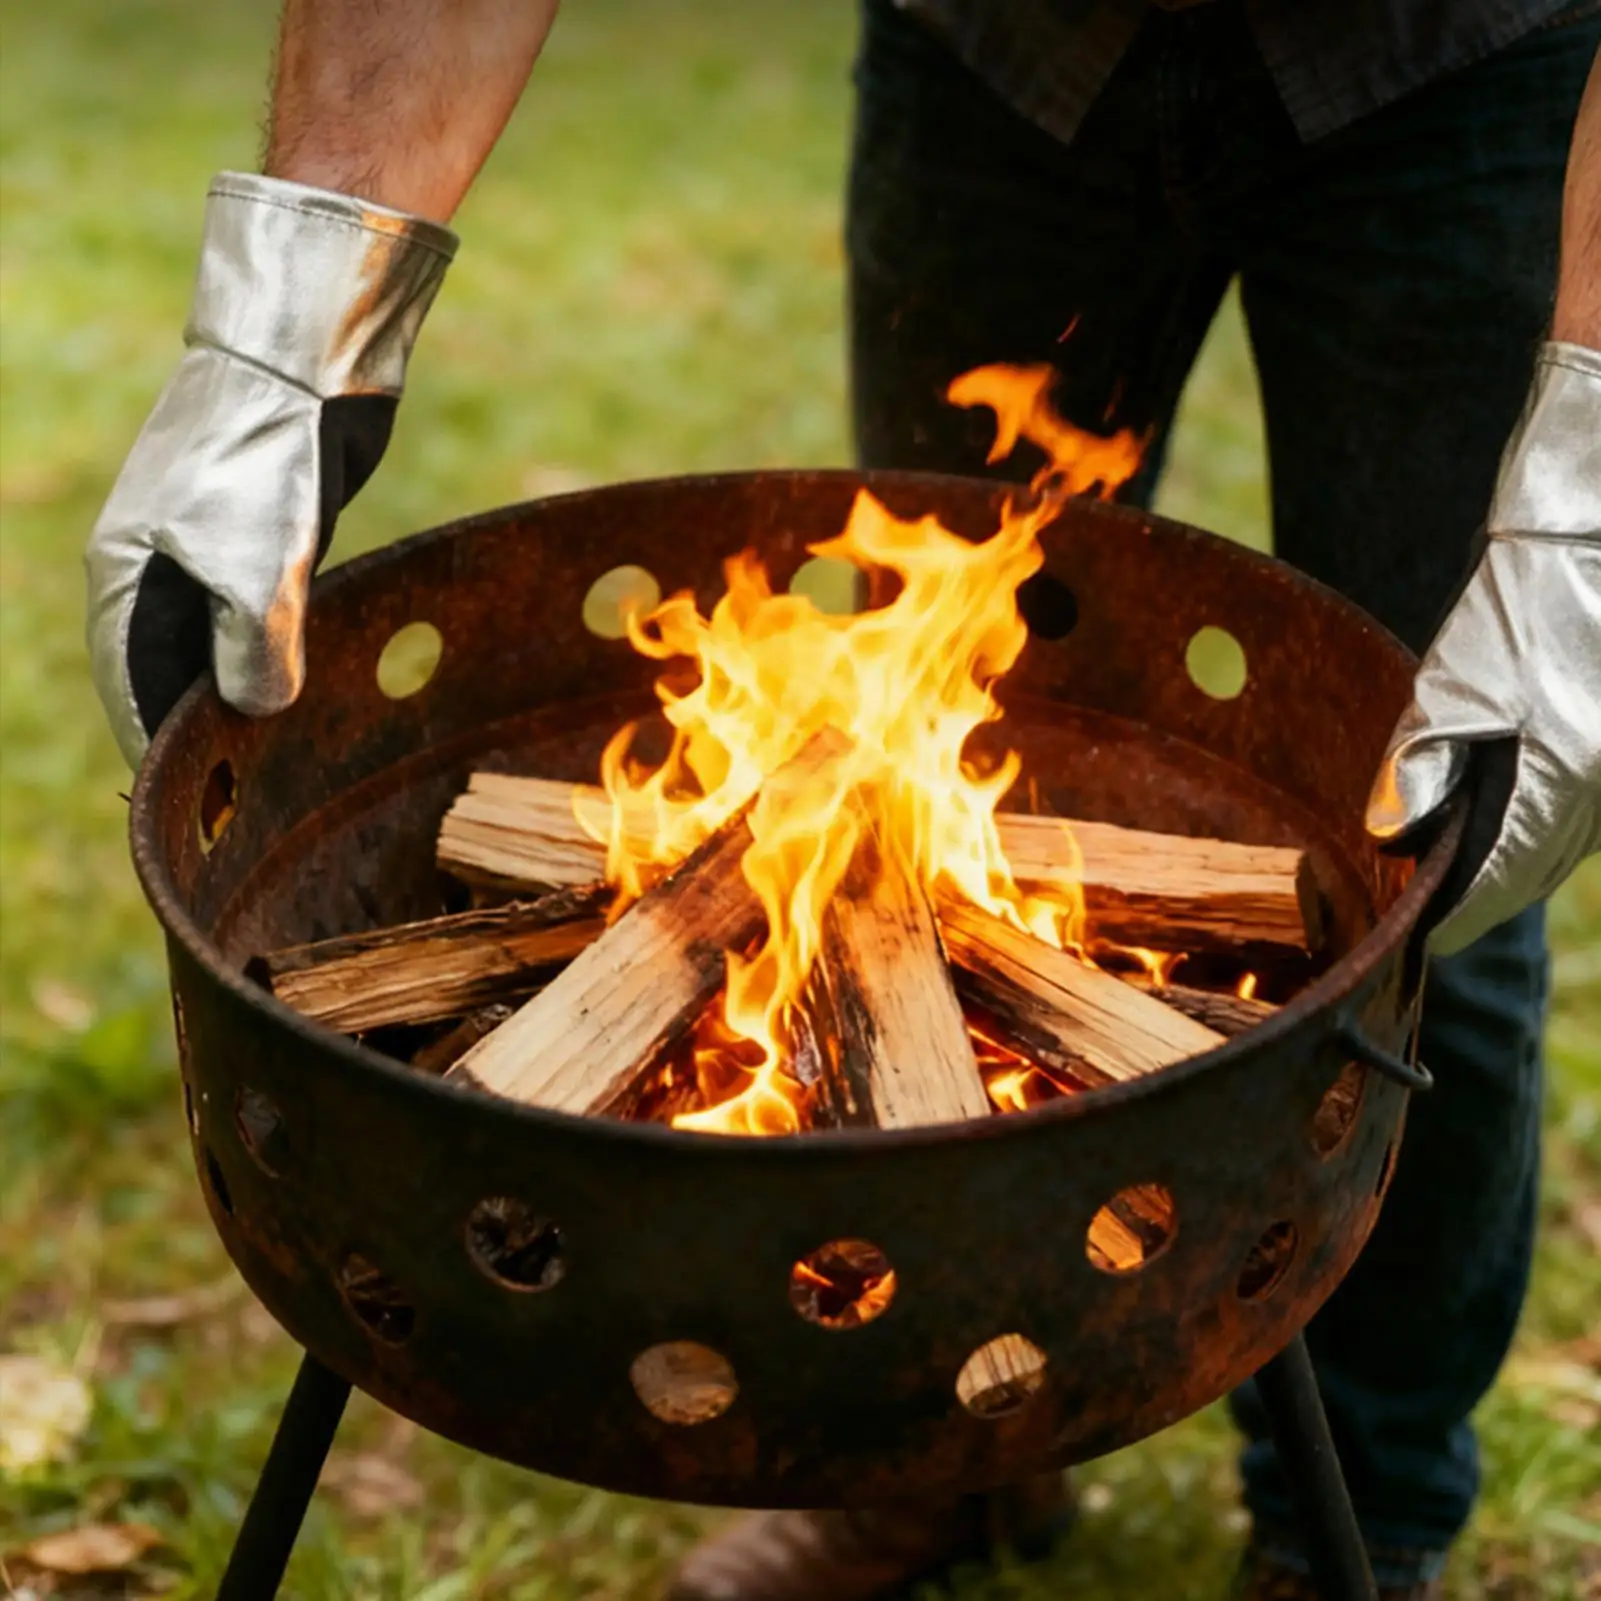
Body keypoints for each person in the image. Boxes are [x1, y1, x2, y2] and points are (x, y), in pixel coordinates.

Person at [85, 3, 1600, 1597]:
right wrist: (281, 331)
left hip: (1467, 68)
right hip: (1005, 60)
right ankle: (944, 1446)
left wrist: (1579, 510)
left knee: (1430, 849)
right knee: (914, 699)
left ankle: (1357, 1519)